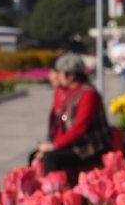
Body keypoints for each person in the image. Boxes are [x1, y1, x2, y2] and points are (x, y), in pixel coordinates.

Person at [36, 54, 110, 185]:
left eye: (60, 73)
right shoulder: (68, 91)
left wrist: (54, 146)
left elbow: (79, 129)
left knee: (51, 158)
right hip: (75, 144)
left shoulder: (88, 94)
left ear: (71, 76)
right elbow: (59, 122)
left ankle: (54, 198)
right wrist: (49, 145)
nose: (57, 76)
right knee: (36, 155)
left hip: (89, 147)